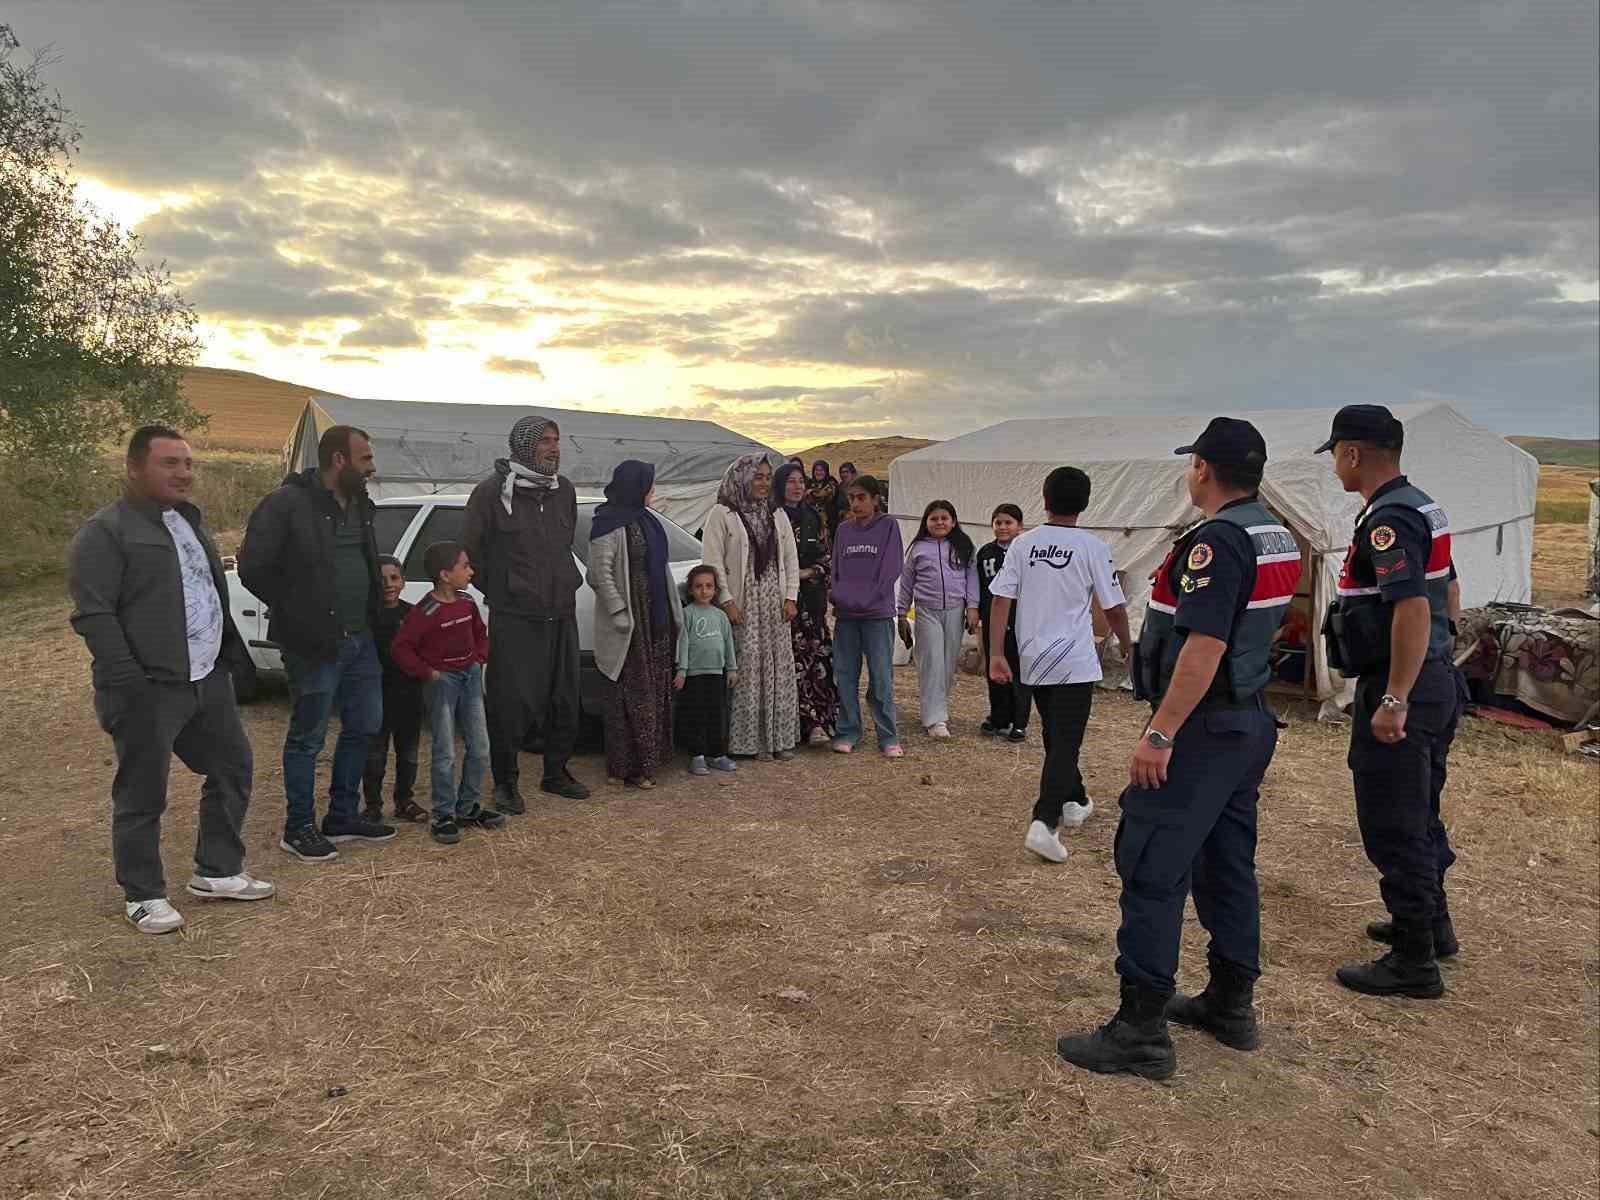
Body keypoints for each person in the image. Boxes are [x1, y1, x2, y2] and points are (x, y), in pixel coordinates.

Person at [1056, 418, 1300, 1081]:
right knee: (1227, 864)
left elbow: (1204, 645)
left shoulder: (1217, 541)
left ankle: (1139, 1029)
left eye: (1192, 464)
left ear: (1203, 468)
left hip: (1202, 728)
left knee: (1152, 865)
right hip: (1246, 720)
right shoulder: (1272, 532)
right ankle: (1230, 1001)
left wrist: (1161, 732)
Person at [70, 426, 272, 933]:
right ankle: (143, 894)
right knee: (143, 792)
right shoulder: (106, 532)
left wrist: (226, 654)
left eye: (187, 463)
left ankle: (217, 871)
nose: (183, 473)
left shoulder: (189, 522)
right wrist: (130, 683)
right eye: (169, 463)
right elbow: (95, 614)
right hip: (148, 688)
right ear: (134, 468)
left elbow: (207, 590)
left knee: (233, 768)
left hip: (207, 678)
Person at [1318, 405, 1466, 999]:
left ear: (1353, 453)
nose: (1334, 465)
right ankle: (1433, 925)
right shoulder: (1421, 504)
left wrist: (1396, 695)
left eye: (1335, 454)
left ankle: (1413, 960)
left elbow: (1411, 606)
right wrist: (1438, 657)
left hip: (1403, 682)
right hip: (1432, 677)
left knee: (1393, 820)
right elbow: (1449, 589)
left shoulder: (1390, 519)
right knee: (1420, 808)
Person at [239, 424, 393, 863]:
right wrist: (297, 610)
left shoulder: (360, 503)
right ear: (339, 460)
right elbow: (252, 567)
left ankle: (342, 815)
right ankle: (299, 827)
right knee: (308, 737)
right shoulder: (287, 503)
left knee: (364, 725)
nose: (372, 467)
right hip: (312, 642)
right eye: (365, 458)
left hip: (360, 638)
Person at [988, 470, 1132, 865]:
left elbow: (1000, 599)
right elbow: (1113, 606)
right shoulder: (1093, 547)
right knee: (1066, 741)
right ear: (1085, 503)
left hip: (1033, 657)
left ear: (1045, 499)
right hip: (1074, 660)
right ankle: (1044, 821)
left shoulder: (1023, 543)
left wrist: (996, 653)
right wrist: (1126, 643)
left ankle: (1076, 799)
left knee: (1057, 735)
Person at [463, 414, 590, 807]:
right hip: (516, 616)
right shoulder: (490, 493)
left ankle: (556, 772)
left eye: (557, 440)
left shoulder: (563, 491)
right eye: (545, 440)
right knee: (511, 703)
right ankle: (506, 781)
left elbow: (563, 545)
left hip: (561, 612)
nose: (554, 448)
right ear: (523, 445)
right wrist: (508, 590)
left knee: (564, 699)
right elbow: (473, 554)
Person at [390, 541, 504, 845]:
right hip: (443, 684)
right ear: (444, 574)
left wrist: (480, 657)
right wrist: (428, 673)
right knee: (445, 751)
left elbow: (480, 633)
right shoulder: (426, 610)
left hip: (470, 678)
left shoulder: (467, 602)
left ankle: (468, 808)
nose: (471, 571)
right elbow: (401, 647)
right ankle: (443, 814)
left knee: (480, 747)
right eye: (464, 566)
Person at [588, 460, 684, 789]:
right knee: (628, 692)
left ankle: (648, 763)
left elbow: (661, 567)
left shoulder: (647, 521)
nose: (652, 491)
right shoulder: (607, 523)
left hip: (653, 616)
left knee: (652, 688)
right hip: (629, 621)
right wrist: (618, 611)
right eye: (648, 486)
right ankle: (624, 766)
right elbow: (598, 574)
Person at [701, 455, 801, 761]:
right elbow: (712, 561)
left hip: (774, 602)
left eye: (768, 477)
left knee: (778, 668)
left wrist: (791, 596)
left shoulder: (776, 513)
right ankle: (748, 743)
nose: (764, 483)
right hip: (744, 603)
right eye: (758, 476)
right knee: (746, 670)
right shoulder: (722, 514)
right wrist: (727, 601)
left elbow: (790, 558)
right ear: (742, 478)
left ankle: (778, 739)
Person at [830, 475, 905, 758]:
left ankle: (888, 735)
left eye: (861, 497)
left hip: (877, 613)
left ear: (875, 499)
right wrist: (838, 596)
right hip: (846, 614)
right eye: (851, 498)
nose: (856, 504)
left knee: (881, 676)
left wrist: (867, 598)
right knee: (846, 674)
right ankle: (848, 731)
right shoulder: (844, 530)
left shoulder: (888, 526)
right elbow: (836, 568)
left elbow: (891, 567)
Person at [898, 500, 980, 739]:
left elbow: (972, 578)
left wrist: (972, 607)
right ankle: (935, 719)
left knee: (946, 663)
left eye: (944, 518)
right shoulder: (918, 549)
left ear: (953, 522)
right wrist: (901, 612)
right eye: (934, 518)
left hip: (955, 610)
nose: (939, 522)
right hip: (927, 611)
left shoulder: (964, 545)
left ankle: (937, 708)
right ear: (926, 522)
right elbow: (907, 582)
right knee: (932, 662)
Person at [775, 462, 841, 747]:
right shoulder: (769, 518)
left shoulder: (813, 516)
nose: (797, 486)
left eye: (801, 481)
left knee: (817, 661)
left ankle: (820, 722)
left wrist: (807, 572)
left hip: (811, 602)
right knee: (790, 663)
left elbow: (826, 557)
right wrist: (790, 577)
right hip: (781, 603)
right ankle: (792, 726)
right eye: (790, 481)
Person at [363, 556, 426, 824]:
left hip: (409, 696)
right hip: (376, 696)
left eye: (394, 578)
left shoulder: (414, 615)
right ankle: (372, 805)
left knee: (408, 753)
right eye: (382, 579)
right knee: (375, 754)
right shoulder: (366, 617)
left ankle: (404, 800)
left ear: (403, 582)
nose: (388, 584)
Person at [674, 565, 740, 776]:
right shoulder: (687, 614)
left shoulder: (720, 616)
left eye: (709, 586)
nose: (704, 591)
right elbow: (683, 643)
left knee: (716, 714)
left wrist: (732, 669)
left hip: (716, 674)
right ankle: (697, 755)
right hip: (694, 675)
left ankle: (716, 754)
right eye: (698, 586)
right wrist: (682, 670)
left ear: (715, 590)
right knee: (696, 715)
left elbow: (728, 643)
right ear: (690, 590)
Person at [976, 504, 1032, 743]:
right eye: (998, 522)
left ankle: (1019, 722)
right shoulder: (985, 553)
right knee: (995, 667)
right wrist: (978, 613)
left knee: (1019, 670)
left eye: (1008, 522)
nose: (1002, 527)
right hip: (992, 617)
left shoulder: (1027, 552)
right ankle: (999, 717)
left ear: (1020, 526)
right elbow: (980, 586)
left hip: (1020, 618)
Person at [806, 459, 840, 549]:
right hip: (811, 520)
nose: (818, 472)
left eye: (821, 470)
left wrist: (810, 492)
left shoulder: (831, 483)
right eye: (816, 470)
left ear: (826, 471)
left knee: (828, 545)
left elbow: (821, 495)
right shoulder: (810, 483)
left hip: (828, 520)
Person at [829, 462, 858, 539]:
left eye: (846, 472)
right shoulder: (839, 487)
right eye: (842, 472)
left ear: (853, 473)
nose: (843, 474)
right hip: (842, 523)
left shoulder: (859, 488)